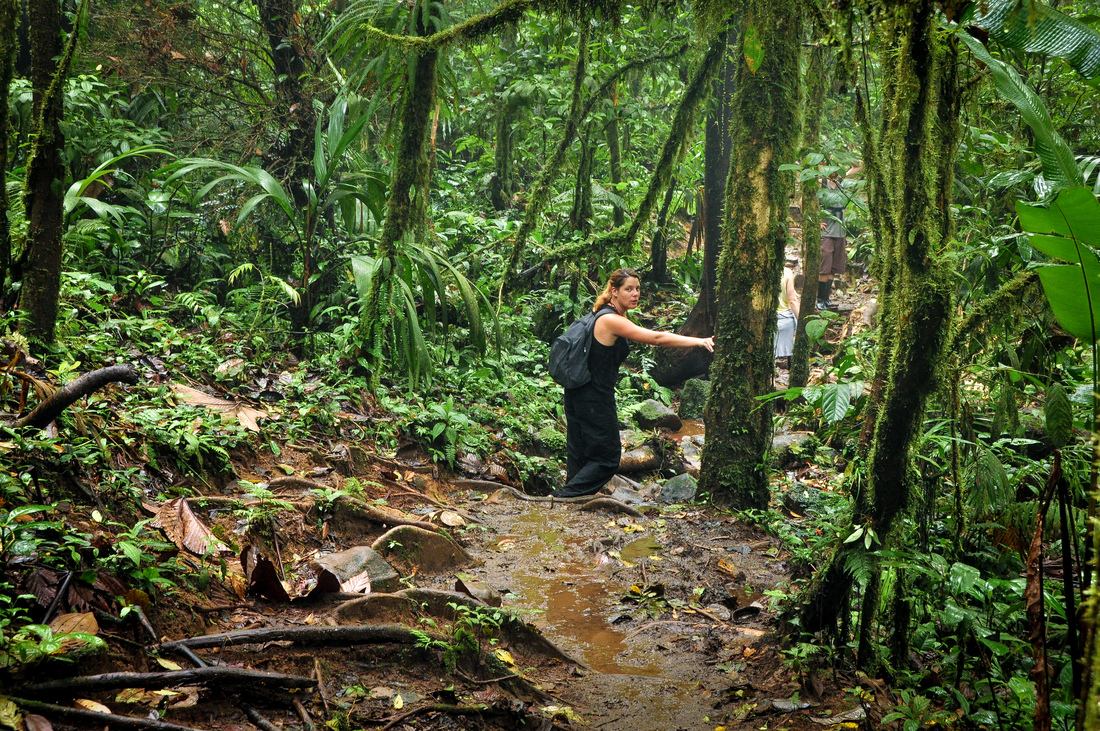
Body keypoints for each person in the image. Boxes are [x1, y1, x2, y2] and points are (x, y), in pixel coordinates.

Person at [557, 268, 714, 498]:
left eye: (638, 288)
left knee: (580, 451)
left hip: (579, 392)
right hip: (593, 396)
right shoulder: (610, 320)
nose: (635, 294)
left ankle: (570, 499)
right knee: (608, 459)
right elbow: (657, 338)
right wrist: (699, 341)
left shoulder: (604, 313)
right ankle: (565, 497)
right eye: (628, 289)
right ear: (614, 291)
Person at [817, 164, 861, 310]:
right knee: (825, 267)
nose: (834, 174)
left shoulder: (840, 183)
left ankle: (826, 299)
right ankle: (820, 299)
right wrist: (817, 220)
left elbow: (855, 169)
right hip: (826, 232)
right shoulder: (821, 184)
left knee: (833, 268)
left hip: (839, 231)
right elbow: (806, 203)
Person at [775, 258, 800, 361]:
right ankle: (790, 357)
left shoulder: (760, 270)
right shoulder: (787, 273)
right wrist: (802, 321)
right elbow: (792, 300)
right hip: (784, 318)